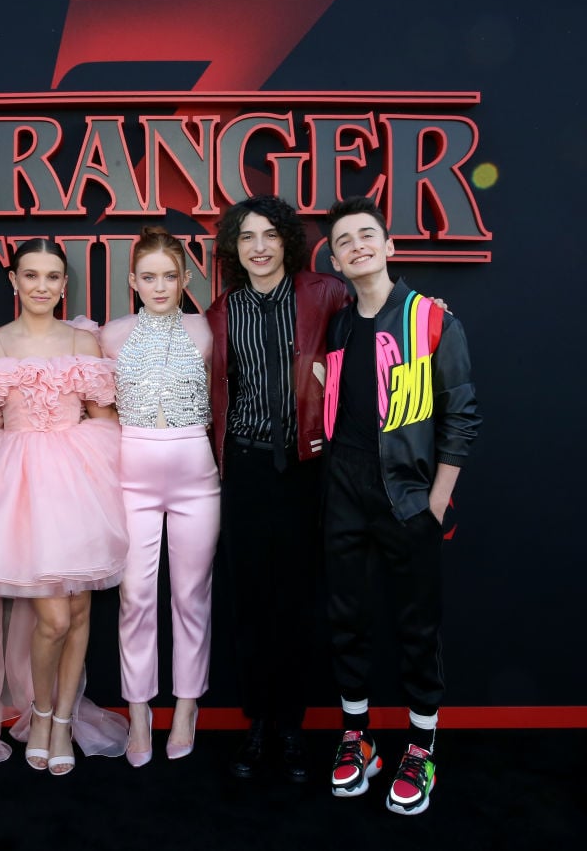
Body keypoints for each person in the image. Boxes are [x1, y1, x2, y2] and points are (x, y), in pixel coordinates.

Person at [0, 238, 129, 776]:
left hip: (80, 480)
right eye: (31, 275)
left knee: (79, 610)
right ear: (13, 280)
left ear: (64, 285)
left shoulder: (82, 341)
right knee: (53, 616)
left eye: (52, 277)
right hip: (19, 484)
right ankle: (41, 712)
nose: (41, 286)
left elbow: (102, 415)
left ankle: (62, 721)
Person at [322, 196, 480, 815]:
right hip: (343, 492)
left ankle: (420, 748)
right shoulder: (338, 325)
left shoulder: (431, 320)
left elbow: (461, 417)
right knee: (347, 619)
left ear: (389, 247)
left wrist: (435, 502)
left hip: (408, 498)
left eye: (367, 234)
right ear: (336, 261)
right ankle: (357, 738)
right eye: (344, 240)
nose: (357, 245)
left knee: (417, 626)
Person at [205, 195, 351, 783]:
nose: (259, 246)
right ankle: (258, 723)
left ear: (287, 241)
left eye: (269, 235)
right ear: (234, 249)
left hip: (305, 467)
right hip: (244, 467)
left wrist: (426, 312)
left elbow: (378, 325)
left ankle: (291, 727)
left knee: (296, 600)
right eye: (247, 237)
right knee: (250, 602)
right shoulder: (222, 311)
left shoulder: (325, 293)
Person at [99, 226, 220, 767]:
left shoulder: (205, 329)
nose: (160, 287)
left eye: (169, 276)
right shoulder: (111, 334)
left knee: (191, 595)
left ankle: (187, 707)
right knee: (135, 597)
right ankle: (139, 711)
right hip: (132, 477)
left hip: (197, 476)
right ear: (133, 281)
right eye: (149, 277)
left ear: (185, 278)